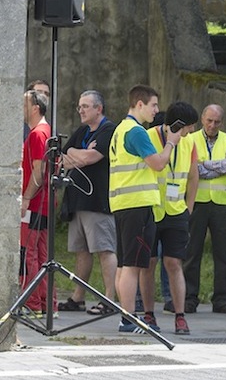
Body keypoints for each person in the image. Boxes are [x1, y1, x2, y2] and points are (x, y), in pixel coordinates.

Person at [110, 85, 181, 333]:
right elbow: (158, 163)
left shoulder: (120, 130)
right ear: (139, 104)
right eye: (153, 105)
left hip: (122, 204)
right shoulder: (137, 132)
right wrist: (171, 143)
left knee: (123, 264)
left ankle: (125, 316)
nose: (157, 110)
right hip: (137, 205)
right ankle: (129, 320)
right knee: (132, 266)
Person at [56, 90, 118, 316]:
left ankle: (110, 299)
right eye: (79, 106)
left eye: (85, 106)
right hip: (77, 200)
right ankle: (78, 298)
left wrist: (76, 155)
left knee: (104, 249)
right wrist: (76, 153)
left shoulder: (109, 130)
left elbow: (92, 158)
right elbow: (62, 159)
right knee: (81, 251)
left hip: (98, 201)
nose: (80, 110)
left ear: (98, 109)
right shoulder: (82, 131)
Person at [140, 102, 200, 335]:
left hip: (176, 211)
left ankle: (180, 315)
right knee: (149, 264)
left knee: (174, 263)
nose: (191, 132)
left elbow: (194, 176)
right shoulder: (147, 136)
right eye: (189, 127)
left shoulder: (190, 143)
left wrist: (189, 206)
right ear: (177, 125)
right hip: (151, 209)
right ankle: (148, 313)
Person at [183, 104, 226, 314]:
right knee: (192, 251)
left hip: (222, 203)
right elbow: (191, 168)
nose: (212, 125)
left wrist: (205, 165)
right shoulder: (190, 139)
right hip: (196, 201)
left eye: (217, 121)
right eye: (209, 120)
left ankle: (222, 300)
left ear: (221, 122)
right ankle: (189, 298)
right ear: (202, 119)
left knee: (223, 254)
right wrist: (217, 165)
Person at [20, 89, 56, 315]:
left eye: (24, 104)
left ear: (35, 108)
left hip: (34, 205)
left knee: (29, 254)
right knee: (42, 254)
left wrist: (25, 198)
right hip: (43, 204)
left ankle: (32, 304)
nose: (21, 108)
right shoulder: (46, 131)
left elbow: (38, 171)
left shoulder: (36, 134)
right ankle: (47, 305)